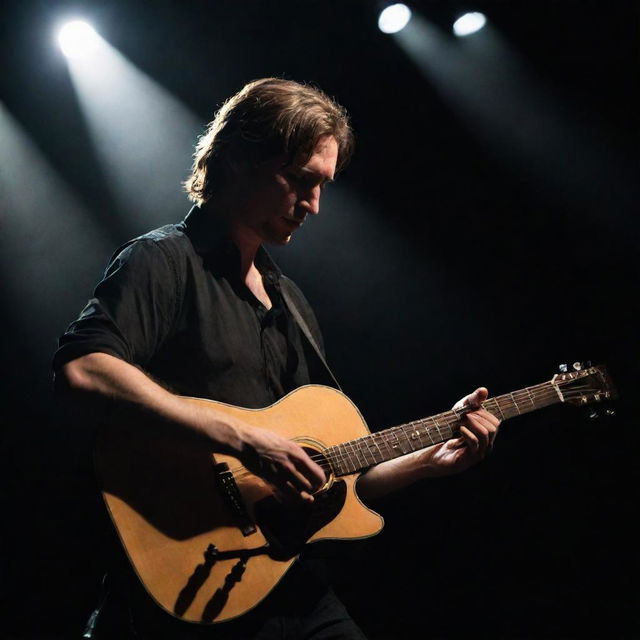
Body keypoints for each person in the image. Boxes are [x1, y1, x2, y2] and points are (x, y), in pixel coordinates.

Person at [53, 78, 500, 639]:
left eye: (323, 187)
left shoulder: (289, 300)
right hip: (194, 576)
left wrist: (429, 461)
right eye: (299, 181)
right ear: (239, 159)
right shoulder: (163, 260)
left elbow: (328, 477)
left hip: (290, 583)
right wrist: (244, 439)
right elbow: (83, 368)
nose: (313, 205)